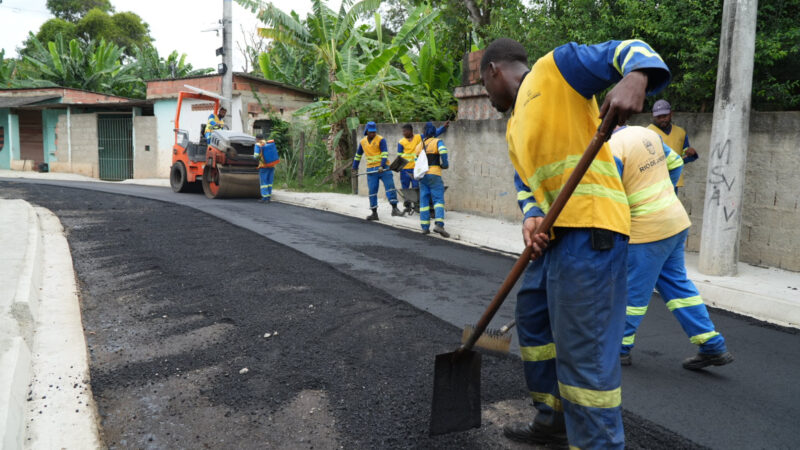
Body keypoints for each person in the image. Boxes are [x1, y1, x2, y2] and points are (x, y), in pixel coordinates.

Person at [481, 38, 670, 449]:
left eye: (484, 85)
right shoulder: (514, 127)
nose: (487, 96)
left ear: (494, 70)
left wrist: (636, 76)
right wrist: (531, 216)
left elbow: (628, 48)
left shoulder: (555, 69)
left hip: (591, 230)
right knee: (533, 321)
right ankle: (555, 418)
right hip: (554, 240)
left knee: (583, 357)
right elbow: (526, 183)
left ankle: (597, 443)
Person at [609, 126, 733, 370]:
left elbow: (610, 198)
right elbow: (676, 162)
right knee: (678, 286)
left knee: (633, 291)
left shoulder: (611, 149)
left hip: (647, 230)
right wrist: (665, 195)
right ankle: (712, 344)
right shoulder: (646, 134)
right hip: (674, 221)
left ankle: (620, 348)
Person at [353, 121, 402, 220]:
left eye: (374, 132)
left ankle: (395, 209)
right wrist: (354, 168)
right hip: (371, 170)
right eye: (370, 132)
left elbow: (384, 153)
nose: (373, 133)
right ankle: (374, 213)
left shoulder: (381, 140)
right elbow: (358, 156)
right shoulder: (363, 142)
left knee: (390, 187)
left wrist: (382, 166)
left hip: (384, 169)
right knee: (372, 191)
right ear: (366, 131)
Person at [397, 121, 449, 214]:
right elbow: (399, 156)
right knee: (405, 188)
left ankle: (417, 205)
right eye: (403, 132)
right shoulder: (401, 142)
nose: (403, 133)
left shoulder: (419, 138)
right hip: (405, 170)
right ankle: (407, 205)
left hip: (416, 169)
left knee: (416, 187)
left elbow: (433, 133)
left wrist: (443, 128)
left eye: (405, 131)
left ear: (410, 131)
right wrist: (397, 167)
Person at [647, 100, 698, 194]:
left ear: (671, 114)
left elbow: (681, 157)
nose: (662, 119)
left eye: (665, 116)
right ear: (653, 116)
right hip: (653, 182)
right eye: (659, 117)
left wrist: (690, 153)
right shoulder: (646, 133)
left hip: (673, 180)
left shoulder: (680, 133)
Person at [414, 122, 450, 237]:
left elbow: (417, 161)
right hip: (434, 174)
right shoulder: (437, 142)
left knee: (424, 201)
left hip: (423, 176)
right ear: (434, 132)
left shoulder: (419, 145)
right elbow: (443, 151)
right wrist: (445, 164)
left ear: (424, 132)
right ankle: (439, 224)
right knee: (438, 200)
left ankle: (425, 227)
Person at [253, 135, 280, 203]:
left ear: (257, 139)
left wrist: (255, 158)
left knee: (264, 182)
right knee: (269, 182)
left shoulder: (258, 145)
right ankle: (268, 197)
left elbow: (256, 156)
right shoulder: (268, 144)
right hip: (271, 165)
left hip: (263, 166)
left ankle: (265, 198)